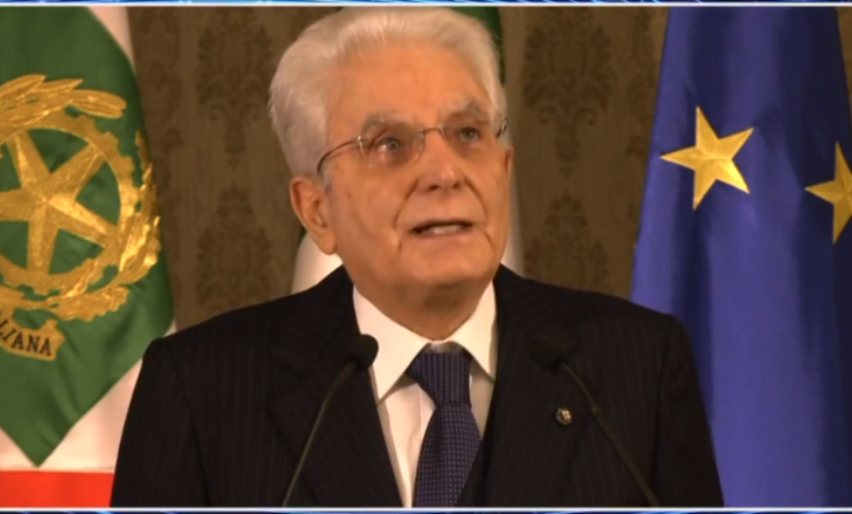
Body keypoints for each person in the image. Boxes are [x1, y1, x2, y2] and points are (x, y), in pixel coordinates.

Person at [111, 7, 722, 507]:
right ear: (317, 210)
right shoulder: (202, 392)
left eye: (468, 134)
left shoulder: (635, 368)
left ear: (504, 169)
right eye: (390, 144)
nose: (444, 172)